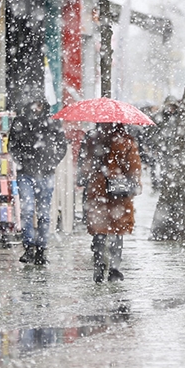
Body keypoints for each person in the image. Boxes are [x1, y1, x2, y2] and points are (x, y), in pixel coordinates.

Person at [80, 123, 142, 283]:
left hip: (98, 191)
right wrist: (133, 183)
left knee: (100, 229)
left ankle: (99, 265)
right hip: (119, 193)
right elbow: (134, 167)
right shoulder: (127, 142)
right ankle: (114, 268)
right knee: (117, 229)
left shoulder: (93, 139)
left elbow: (86, 166)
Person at [9, 100, 68, 265]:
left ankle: (41, 249)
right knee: (28, 211)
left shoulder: (52, 122)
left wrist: (51, 163)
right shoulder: (20, 121)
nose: (36, 108)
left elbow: (62, 146)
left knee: (43, 213)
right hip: (26, 173)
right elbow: (12, 145)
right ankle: (29, 247)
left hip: (45, 173)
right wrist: (22, 162)